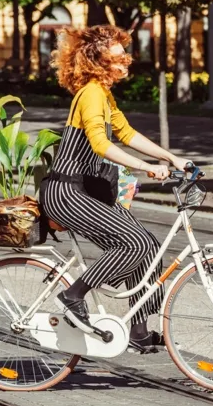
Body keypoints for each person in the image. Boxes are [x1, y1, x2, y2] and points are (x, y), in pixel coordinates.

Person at [41, 25, 189, 351]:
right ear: (98, 59)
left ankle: (138, 329)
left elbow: (126, 134)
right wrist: (146, 167)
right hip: (66, 192)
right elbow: (100, 144)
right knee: (134, 242)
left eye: (124, 50)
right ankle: (73, 295)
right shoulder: (91, 93)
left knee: (149, 247)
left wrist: (171, 157)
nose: (126, 57)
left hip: (83, 191)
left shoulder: (104, 95)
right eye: (117, 51)